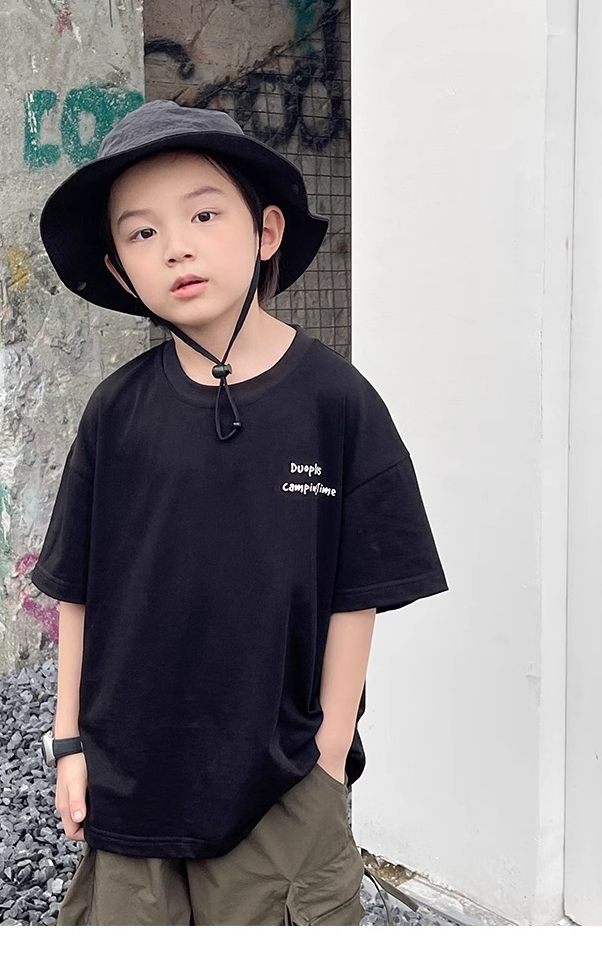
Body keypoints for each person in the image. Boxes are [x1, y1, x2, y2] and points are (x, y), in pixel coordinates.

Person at [29, 99, 449, 926]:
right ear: (119, 269)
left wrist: (327, 754)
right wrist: (70, 742)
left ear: (265, 231)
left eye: (203, 214)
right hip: (130, 773)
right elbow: (77, 589)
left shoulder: (336, 403)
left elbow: (357, 592)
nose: (175, 246)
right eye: (141, 232)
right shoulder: (116, 413)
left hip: (281, 785)